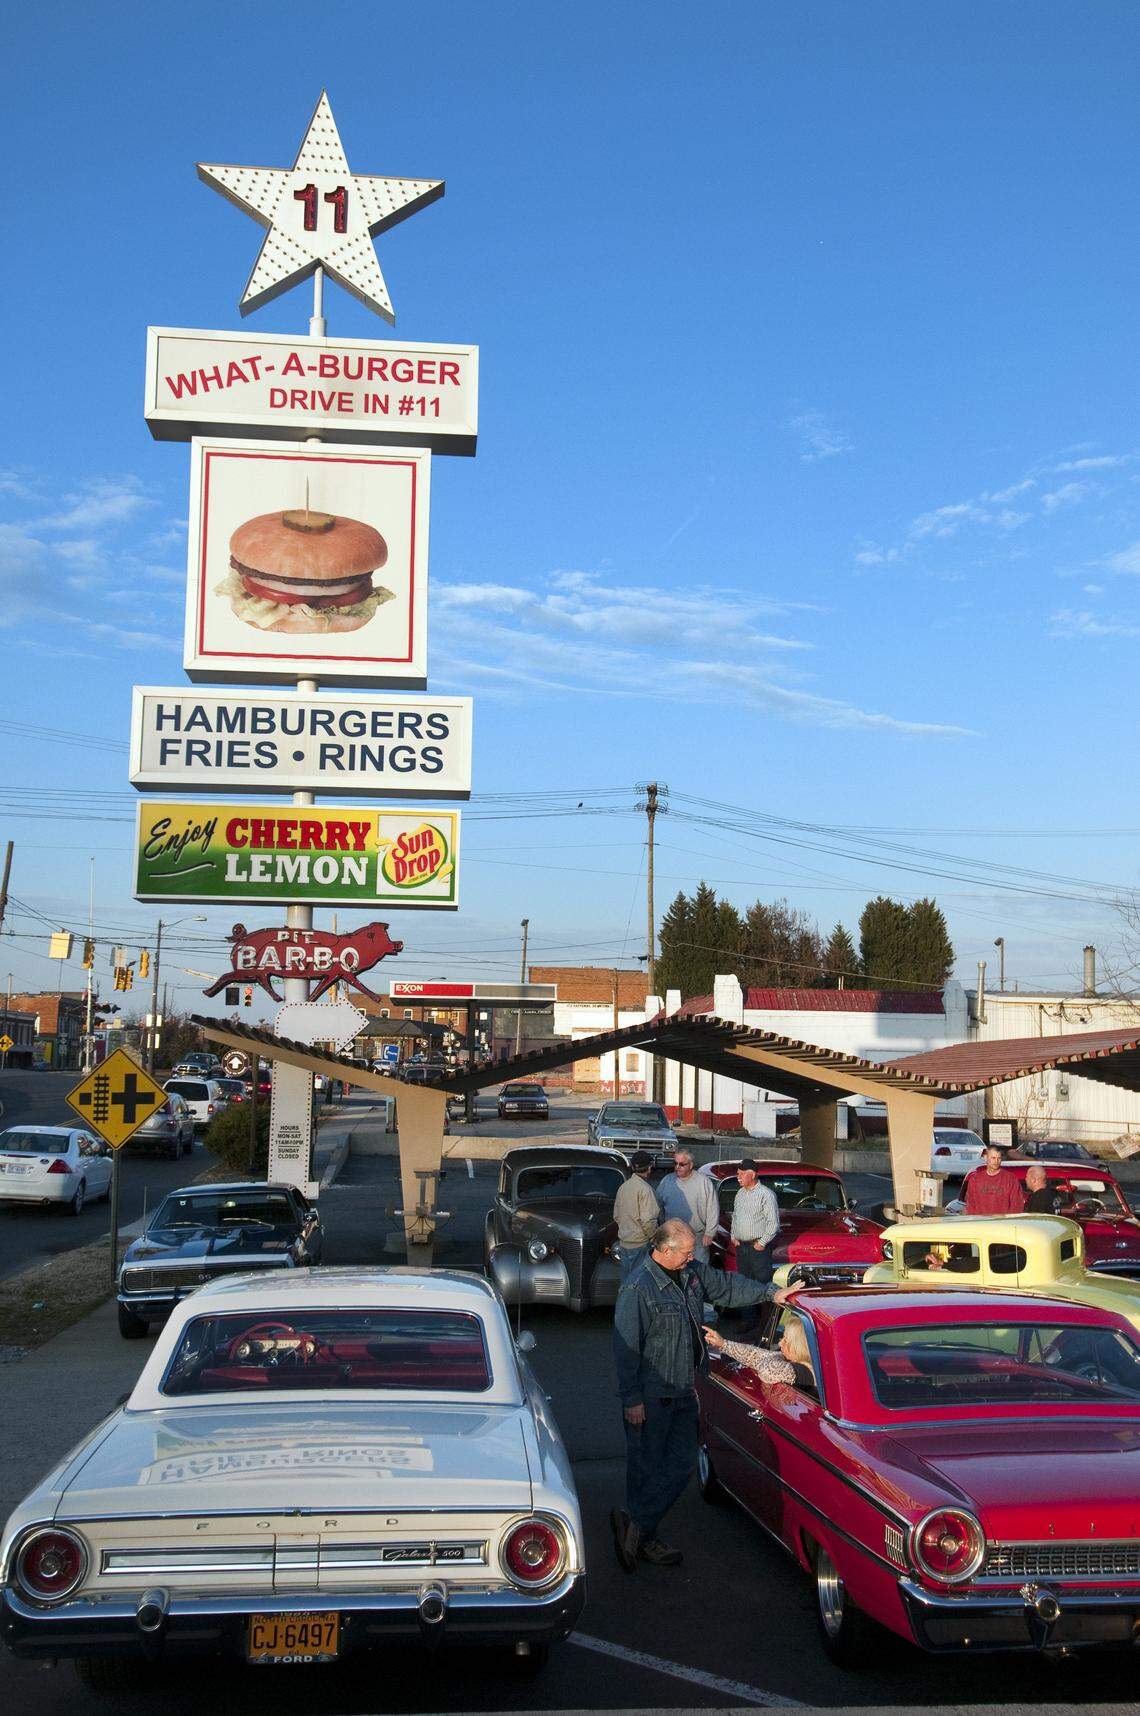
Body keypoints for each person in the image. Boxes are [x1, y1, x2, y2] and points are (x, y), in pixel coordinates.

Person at [611, 1217, 784, 1571]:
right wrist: (632, 1400)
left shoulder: (691, 1274)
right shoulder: (637, 1289)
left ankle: (635, 1526)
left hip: (684, 1390)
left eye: (692, 1252)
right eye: (686, 1253)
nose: (692, 1258)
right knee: (646, 1469)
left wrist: (770, 1293)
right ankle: (645, 1537)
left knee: (680, 1466)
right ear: (664, 1250)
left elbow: (726, 1287)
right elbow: (626, 1348)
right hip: (652, 1396)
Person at [703, 1314, 814, 1388]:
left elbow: (768, 1370)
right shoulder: (808, 1366)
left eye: (786, 1340)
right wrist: (723, 1344)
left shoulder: (803, 1371)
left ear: (798, 1346)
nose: (780, 1343)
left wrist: (776, 1355)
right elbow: (755, 1355)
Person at [656, 1151, 720, 1263]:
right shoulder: (667, 1181)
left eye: (681, 1164)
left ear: (690, 1165)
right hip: (672, 1238)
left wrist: (710, 1233)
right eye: (675, 1163)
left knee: (699, 1273)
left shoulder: (703, 1182)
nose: (677, 1167)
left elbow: (713, 1208)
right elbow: (658, 1206)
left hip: (697, 1237)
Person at [730, 1159, 780, 1284]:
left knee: (761, 1284)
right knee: (744, 1283)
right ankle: (748, 1305)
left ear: (752, 1175)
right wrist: (733, 1236)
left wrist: (761, 1243)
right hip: (741, 1247)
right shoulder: (739, 1193)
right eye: (738, 1174)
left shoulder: (766, 1194)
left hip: (758, 1249)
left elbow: (773, 1223)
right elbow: (735, 1216)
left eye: (741, 1174)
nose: (738, 1177)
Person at [613, 1151, 660, 1280]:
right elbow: (648, 1221)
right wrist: (654, 1239)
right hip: (641, 1245)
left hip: (624, 1243)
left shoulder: (623, 1187)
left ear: (633, 1167)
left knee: (626, 1284)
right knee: (639, 1283)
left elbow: (616, 1216)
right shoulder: (646, 1189)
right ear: (649, 1168)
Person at [963, 1144, 1025, 1215]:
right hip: (980, 1224)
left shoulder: (1011, 1179)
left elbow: (1016, 1206)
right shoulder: (975, 1180)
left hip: (1003, 1224)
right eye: (993, 1158)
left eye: (999, 1158)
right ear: (986, 1157)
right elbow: (971, 1206)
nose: (996, 1161)